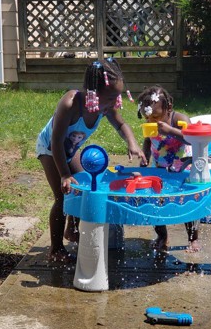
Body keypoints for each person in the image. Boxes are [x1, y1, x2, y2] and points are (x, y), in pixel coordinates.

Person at [36, 58, 147, 263]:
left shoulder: (105, 107)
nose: (116, 102)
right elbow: (57, 142)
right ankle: (56, 249)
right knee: (63, 197)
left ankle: (72, 229)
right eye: (112, 96)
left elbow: (121, 125)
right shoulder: (70, 104)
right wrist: (65, 175)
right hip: (51, 149)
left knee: (84, 187)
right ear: (93, 93)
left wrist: (132, 143)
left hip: (70, 149)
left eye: (118, 96)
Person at [137, 84, 201, 253]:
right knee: (155, 202)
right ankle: (162, 236)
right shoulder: (152, 122)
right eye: (147, 118)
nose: (151, 121)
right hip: (158, 167)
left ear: (169, 108)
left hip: (182, 167)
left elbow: (192, 140)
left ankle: (193, 239)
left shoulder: (179, 119)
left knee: (187, 202)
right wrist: (145, 156)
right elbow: (148, 139)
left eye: (156, 116)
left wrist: (171, 130)